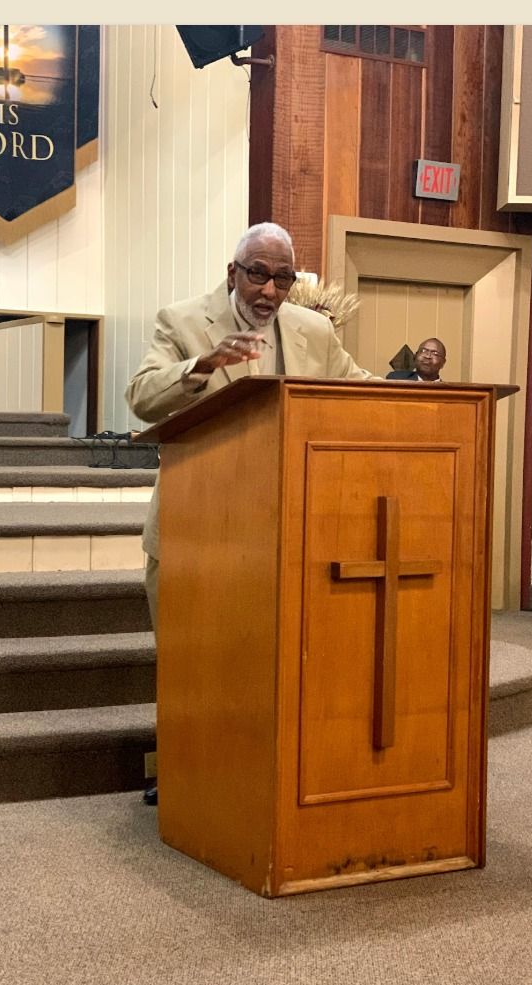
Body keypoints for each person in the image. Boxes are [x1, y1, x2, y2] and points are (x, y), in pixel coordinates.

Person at [125, 221, 377, 803]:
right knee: (192, 659)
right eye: (258, 274)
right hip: (198, 527)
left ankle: (259, 771)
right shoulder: (182, 321)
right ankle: (183, 770)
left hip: (287, 530)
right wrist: (203, 365)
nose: (269, 291)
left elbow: (357, 387)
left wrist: (416, 395)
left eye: (282, 278)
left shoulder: (313, 330)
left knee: (267, 660)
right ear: (233, 272)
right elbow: (140, 396)